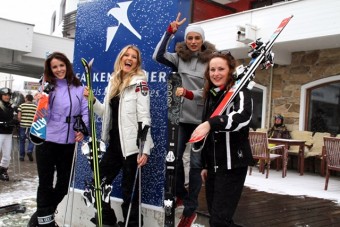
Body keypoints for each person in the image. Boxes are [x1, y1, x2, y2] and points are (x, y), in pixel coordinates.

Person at [153, 13, 216, 226]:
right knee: (175, 159)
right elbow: (158, 56)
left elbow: (209, 90)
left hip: (200, 120)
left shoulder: (210, 61)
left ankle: (190, 210)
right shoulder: (180, 57)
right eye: (190, 38)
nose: (193, 41)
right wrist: (169, 32)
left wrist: (190, 93)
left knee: (196, 166)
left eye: (197, 38)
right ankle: (179, 193)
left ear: (202, 40)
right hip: (179, 118)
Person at [84, 45, 153, 227]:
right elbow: (105, 114)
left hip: (132, 147)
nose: (129, 59)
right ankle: (107, 219)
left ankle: (132, 224)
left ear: (137, 62)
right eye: (126, 55)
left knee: (129, 191)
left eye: (134, 57)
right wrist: (92, 100)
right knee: (98, 183)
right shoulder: (113, 81)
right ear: (121, 58)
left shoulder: (140, 83)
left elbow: (144, 116)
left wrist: (144, 149)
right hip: (114, 145)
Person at [190, 51, 255, 227]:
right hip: (214, 166)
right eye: (212, 69)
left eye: (221, 69)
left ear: (230, 71)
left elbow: (242, 117)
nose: (216, 73)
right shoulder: (212, 94)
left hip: (232, 163)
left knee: (219, 220)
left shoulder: (240, 92)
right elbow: (210, 137)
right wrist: (205, 164)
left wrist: (212, 123)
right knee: (217, 217)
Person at [29, 52, 89, 227]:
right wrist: (39, 101)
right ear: (50, 69)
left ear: (67, 65)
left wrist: (82, 130)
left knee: (63, 185)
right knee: (45, 184)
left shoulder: (79, 88)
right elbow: (41, 114)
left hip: (68, 143)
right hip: (47, 140)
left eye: (61, 65)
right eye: (54, 67)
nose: (59, 70)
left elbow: (85, 112)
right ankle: (45, 222)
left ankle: (41, 216)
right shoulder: (47, 87)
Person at [0, 87, 16, 181]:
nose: (7, 96)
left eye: (8, 95)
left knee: (7, 156)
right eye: (5, 95)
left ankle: (2, 171)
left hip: (8, 133)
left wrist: (15, 122)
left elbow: (13, 118)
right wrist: (3, 123)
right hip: (0, 132)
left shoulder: (11, 106)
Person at [17, 94, 37, 162]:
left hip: (23, 125)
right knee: (32, 140)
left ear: (27, 98)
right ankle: (29, 150)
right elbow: (36, 117)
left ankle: (21, 156)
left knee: (22, 141)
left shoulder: (22, 105)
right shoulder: (35, 106)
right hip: (31, 126)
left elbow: (19, 116)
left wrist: (20, 122)